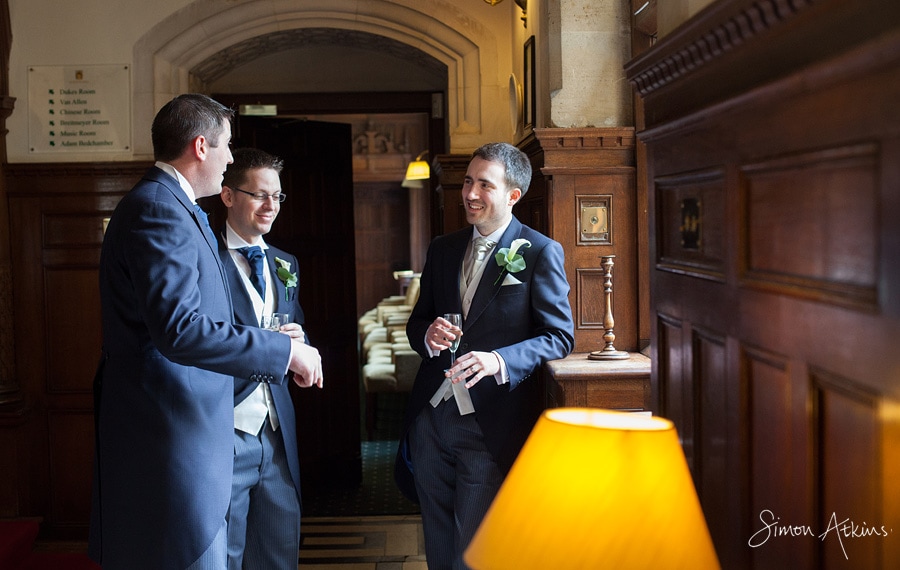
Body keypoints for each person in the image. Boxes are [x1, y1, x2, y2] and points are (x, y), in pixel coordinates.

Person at [89, 94, 323, 570]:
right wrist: (282, 352)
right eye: (228, 146)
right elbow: (180, 329)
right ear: (201, 146)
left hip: (190, 424)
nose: (232, 158)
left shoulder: (178, 206)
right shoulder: (159, 208)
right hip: (173, 429)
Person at [394, 142, 575, 569]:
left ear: (513, 195)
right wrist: (428, 333)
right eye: (468, 181)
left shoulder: (539, 252)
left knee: (475, 548)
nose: (470, 193)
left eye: (484, 185)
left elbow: (559, 337)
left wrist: (500, 361)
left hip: (489, 420)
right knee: (437, 539)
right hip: (430, 416)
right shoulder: (443, 248)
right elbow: (416, 323)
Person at [216, 148, 306, 569]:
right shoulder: (206, 262)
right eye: (259, 195)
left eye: (279, 197)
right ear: (228, 195)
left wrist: (299, 342)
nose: (271, 207)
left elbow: (295, 329)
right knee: (226, 556)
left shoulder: (286, 264)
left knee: (278, 554)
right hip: (225, 429)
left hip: (276, 434)